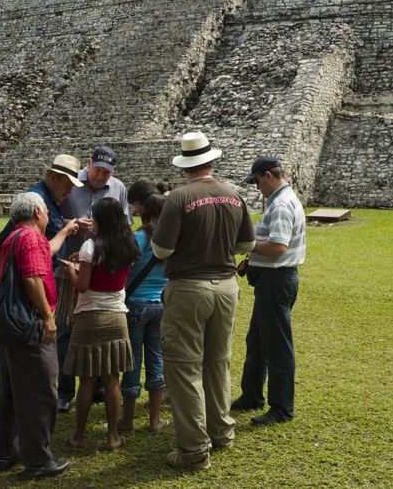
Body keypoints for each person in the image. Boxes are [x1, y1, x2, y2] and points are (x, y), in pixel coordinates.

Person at [151, 131, 255, 471]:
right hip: (226, 286)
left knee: (183, 367)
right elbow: (246, 246)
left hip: (189, 287)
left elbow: (162, 250)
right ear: (211, 161)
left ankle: (195, 450)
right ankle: (221, 431)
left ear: (186, 166)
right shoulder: (233, 195)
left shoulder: (178, 198)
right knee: (218, 361)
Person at [0, 155, 87, 414]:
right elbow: (25, 260)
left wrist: (65, 232)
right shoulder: (36, 203)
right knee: (35, 376)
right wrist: (47, 316)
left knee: (10, 379)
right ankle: (36, 439)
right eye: (68, 183)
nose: (70, 191)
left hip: (23, 305)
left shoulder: (51, 203)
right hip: (29, 307)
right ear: (54, 177)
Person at [0, 192, 71, 480]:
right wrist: (49, 318)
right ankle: (38, 460)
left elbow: (41, 256)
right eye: (47, 212)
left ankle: (3, 452)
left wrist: (63, 232)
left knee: (9, 389)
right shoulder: (32, 238)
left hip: (7, 323)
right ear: (38, 211)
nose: (49, 216)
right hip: (30, 323)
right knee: (39, 392)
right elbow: (32, 278)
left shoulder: (13, 237)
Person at [232, 155, 306, 425]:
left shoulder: (282, 205)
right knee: (258, 342)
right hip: (271, 281)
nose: (256, 187)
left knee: (277, 348)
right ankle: (251, 395)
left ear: (268, 175)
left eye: (257, 182)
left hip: (276, 282)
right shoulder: (279, 201)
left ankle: (281, 408)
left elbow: (277, 247)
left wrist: (246, 243)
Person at [63, 197, 139, 452]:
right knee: (112, 379)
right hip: (117, 316)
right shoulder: (129, 243)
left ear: (99, 219)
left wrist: (71, 270)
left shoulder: (90, 246)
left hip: (89, 315)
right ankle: (112, 436)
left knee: (86, 380)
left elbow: (82, 285)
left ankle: (79, 436)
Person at [58, 145, 131, 410]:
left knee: (99, 329)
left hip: (102, 269)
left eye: (107, 173)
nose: (101, 176)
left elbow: (124, 226)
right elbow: (53, 218)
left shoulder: (118, 188)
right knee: (66, 329)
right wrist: (74, 222)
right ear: (88, 164)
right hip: (69, 265)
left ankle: (98, 387)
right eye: (98, 170)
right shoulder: (72, 183)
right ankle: (64, 391)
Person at [119, 193, 169, 433]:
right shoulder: (172, 240)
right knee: (156, 359)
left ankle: (127, 420)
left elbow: (122, 268)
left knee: (132, 361)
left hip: (135, 304)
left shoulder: (136, 238)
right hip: (160, 304)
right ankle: (154, 420)